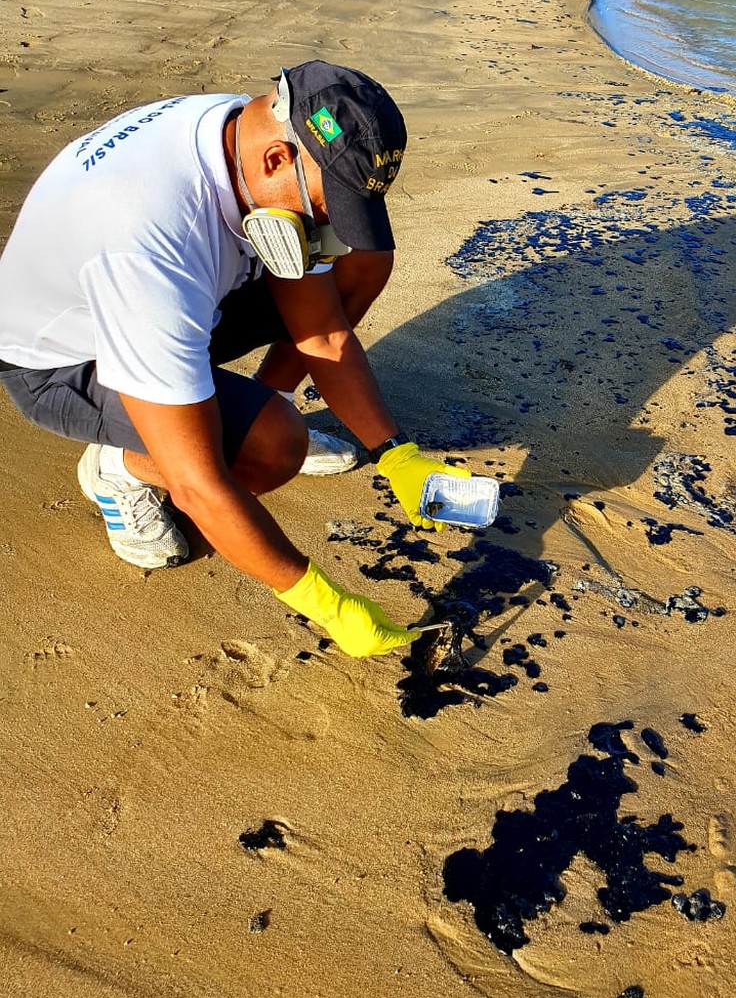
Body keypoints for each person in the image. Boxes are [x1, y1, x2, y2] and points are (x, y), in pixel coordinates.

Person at [0, 60, 469, 658]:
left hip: (188, 298)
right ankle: (121, 468)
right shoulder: (148, 251)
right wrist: (329, 604)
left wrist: (395, 455)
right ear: (278, 158)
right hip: (65, 361)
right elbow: (200, 488)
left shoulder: (248, 131)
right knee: (271, 448)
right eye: (326, 209)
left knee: (362, 262)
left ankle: (253, 402)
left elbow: (322, 333)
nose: (326, 227)